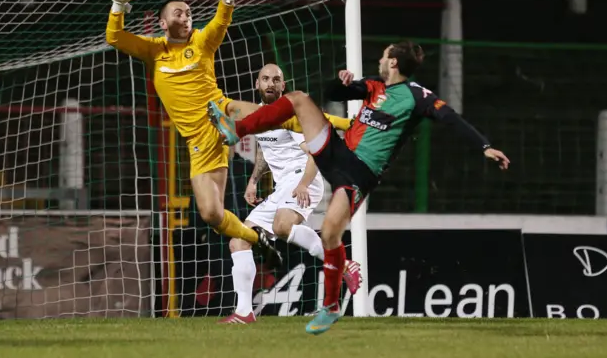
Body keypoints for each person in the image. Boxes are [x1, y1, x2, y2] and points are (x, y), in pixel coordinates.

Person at [207, 41, 511, 334]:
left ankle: (331, 306)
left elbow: (450, 117)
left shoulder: (417, 96)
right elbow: (335, 91)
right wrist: (343, 83)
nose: (378, 60)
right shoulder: (374, 86)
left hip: (359, 172)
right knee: (299, 99)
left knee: (329, 233)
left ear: (393, 61)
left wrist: (484, 146)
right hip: (338, 153)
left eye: (383, 56)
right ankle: (237, 130)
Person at [102, 0, 284, 265]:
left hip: (222, 113)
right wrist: (118, 5)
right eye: (178, 13)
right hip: (199, 142)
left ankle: (335, 130)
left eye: (188, 12)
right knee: (211, 214)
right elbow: (115, 37)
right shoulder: (154, 51)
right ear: (162, 22)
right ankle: (257, 240)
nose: (185, 17)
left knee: (277, 114)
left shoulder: (200, 42)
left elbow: (220, 22)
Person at [219, 64, 362, 324]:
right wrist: (253, 180)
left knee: (282, 225)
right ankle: (243, 312)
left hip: (303, 178)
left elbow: (313, 152)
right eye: (265, 79)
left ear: (283, 86)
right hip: (282, 186)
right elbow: (265, 148)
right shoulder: (261, 116)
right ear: (257, 84)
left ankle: (343, 265)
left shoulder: (292, 115)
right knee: (238, 240)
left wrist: (304, 184)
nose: (270, 83)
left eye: (276, 79)